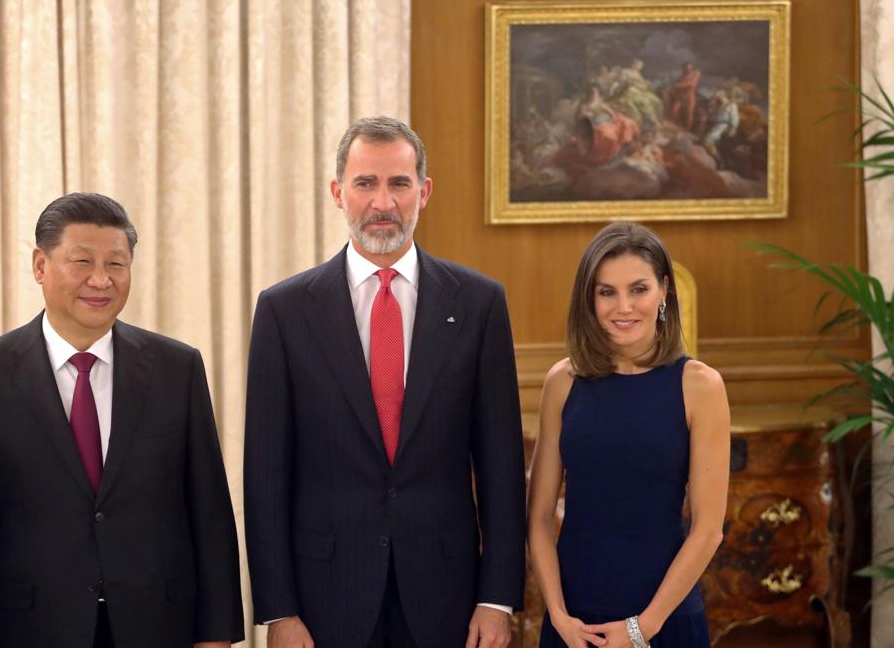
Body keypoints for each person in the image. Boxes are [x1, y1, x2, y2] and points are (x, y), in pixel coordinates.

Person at [244, 116, 526, 647]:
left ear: (424, 191)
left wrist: (497, 598)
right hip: (325, 596)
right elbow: (265, 473)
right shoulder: (283, 311)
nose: (383, 202)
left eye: (398, 183)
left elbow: (500, 463)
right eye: (365, 183)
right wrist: (278, 610)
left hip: (449, 596)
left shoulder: (479, 304)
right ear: (337, 192)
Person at [0, 192, 243, 648]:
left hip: (159, 625)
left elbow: (210, 514)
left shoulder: (176, 368)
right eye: (81, 262)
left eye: (116, 265)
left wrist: (217, 636)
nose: (101, 281)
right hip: (34, 629)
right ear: (40, 266)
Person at [527, 222, 730, 648]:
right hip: (575, 623)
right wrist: (559, 616)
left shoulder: (700, 386)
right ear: (590, 299)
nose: (624, 307)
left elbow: (709, 528)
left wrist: (643, 628)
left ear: (664, 291)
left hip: (663, 619)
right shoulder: (562, 382)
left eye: (638, 289)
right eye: (607, 292)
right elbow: (540, 515)